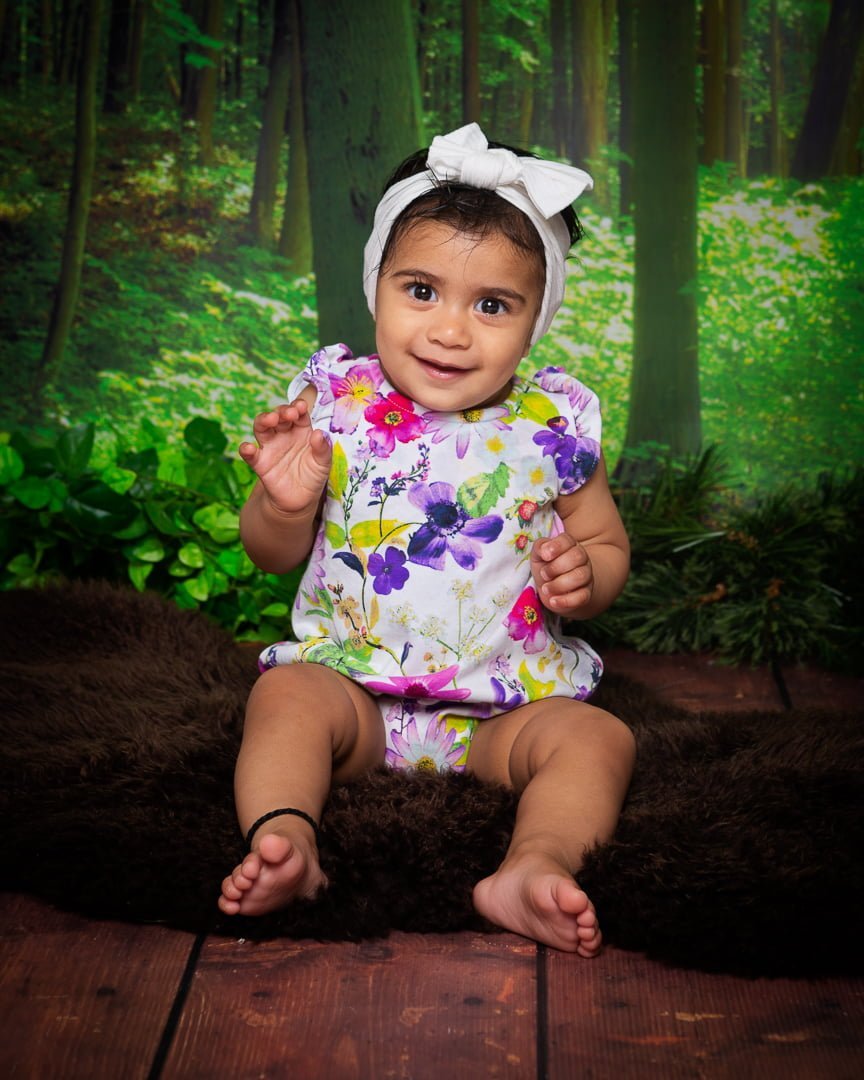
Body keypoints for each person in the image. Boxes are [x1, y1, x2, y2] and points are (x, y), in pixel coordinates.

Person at [218, 123, 635, 954]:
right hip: (356, 698)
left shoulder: (549, 422)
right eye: (421, 290)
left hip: (501, 713)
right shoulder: (336, 402)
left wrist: (586, 573)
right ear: (376, 285)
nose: (451, 330)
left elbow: (608, 543)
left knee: (599, 739)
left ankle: (534, 863)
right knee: (282, 700)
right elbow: (267, 554)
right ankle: (288, 836)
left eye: (491, 305)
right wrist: (286, 504)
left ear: (535, 319)